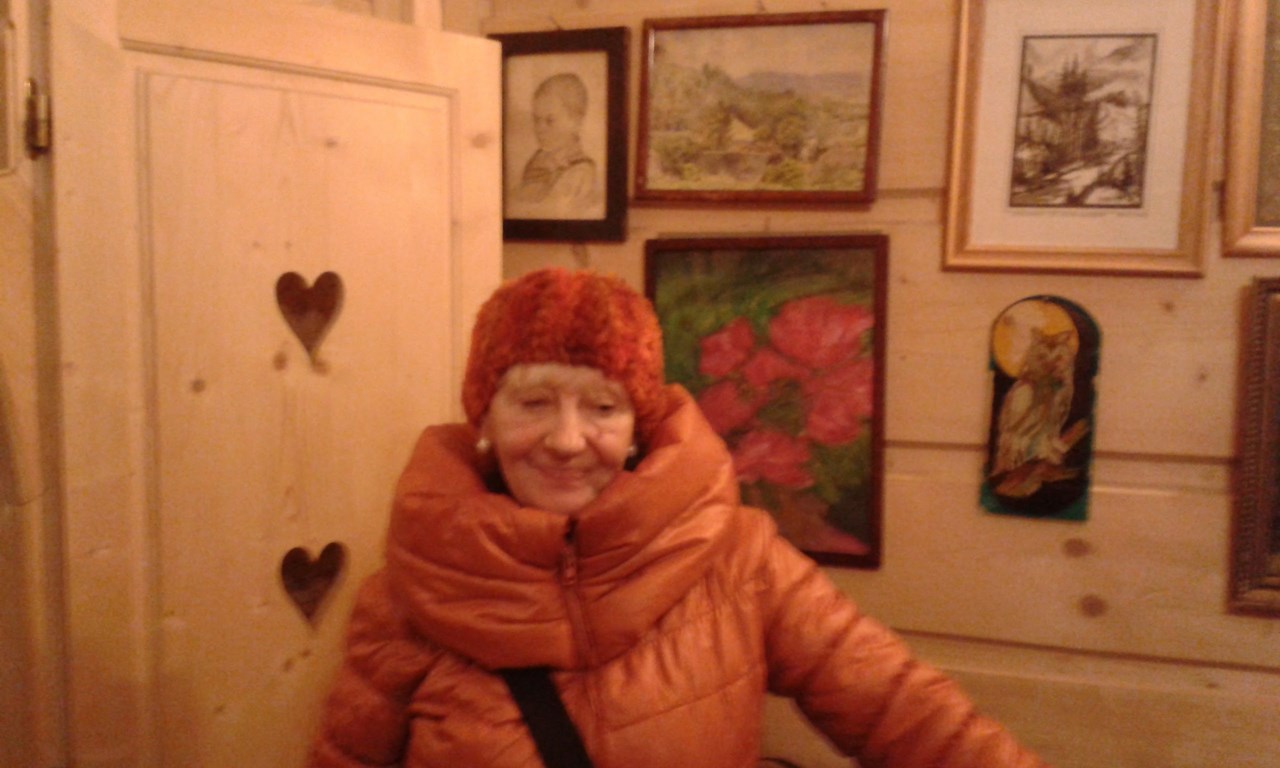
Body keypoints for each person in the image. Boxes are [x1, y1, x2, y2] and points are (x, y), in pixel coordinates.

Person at [307, 268, 1048, 768]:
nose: (567, 440)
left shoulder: (739, 561)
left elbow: (903, 710)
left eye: (602, 407)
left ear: (637, 426)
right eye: (533, 403)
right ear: (485, 420)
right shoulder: (408, 600)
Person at [509, 73, 601, 218]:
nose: (540, 128)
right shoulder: (538, 160)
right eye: (536, 119)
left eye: (550, 121)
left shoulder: (581, 171)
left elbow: (548, 212)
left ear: (576, 122)